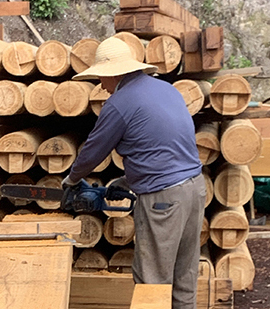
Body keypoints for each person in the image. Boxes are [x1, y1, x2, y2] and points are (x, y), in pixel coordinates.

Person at [63, 36, 205, 309]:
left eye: (102, 79)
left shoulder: (119, 103)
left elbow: (94, 150)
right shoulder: (167, 90)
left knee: (153, 280)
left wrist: (72, 179)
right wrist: (127, 180)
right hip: (195, 189)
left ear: (114, 73)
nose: (101, 87)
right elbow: (165, 145)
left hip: (164, 199)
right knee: (184, 276)